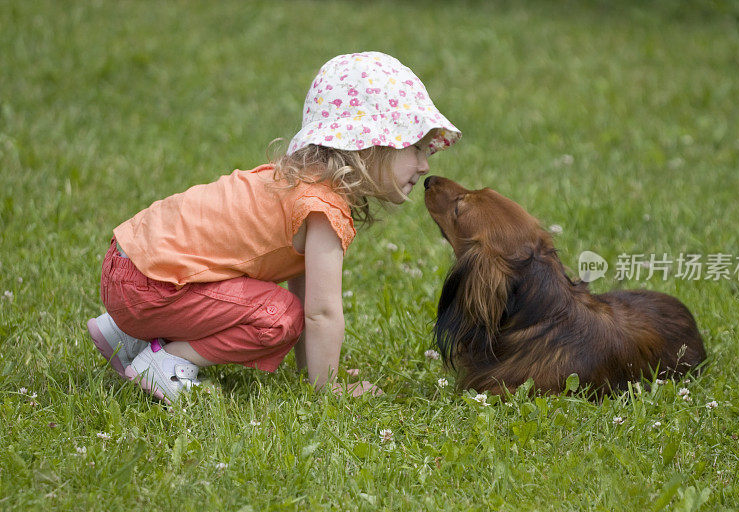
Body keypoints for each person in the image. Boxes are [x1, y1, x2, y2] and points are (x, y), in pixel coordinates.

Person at [86, 51, 460, 403]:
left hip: (127, 265)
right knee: (279, 319)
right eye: (416, 148)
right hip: (149, 288)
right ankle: (164, 361)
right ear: (368, 146)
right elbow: (320, 312)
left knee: (281, 306)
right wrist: (327, 387)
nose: (425, 165)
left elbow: (305, 291)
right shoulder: (323, 207)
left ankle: (130, 337)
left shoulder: (297, 184)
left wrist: (309, 370)